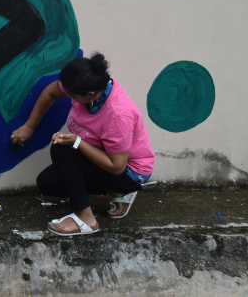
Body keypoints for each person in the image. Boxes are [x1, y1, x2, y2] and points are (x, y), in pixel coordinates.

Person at [10, 53, 156, 236]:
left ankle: (87, 218)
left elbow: (117, 166)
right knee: (48, 183)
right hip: (103, 160)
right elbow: (50, 92)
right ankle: (116, 191)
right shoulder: (89, 84)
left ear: (89, 95)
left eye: (71, 95)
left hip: (129, 172)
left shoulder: (118, 114)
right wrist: (29, 127)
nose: (67, 95)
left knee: (61, 148)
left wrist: (78, 142)